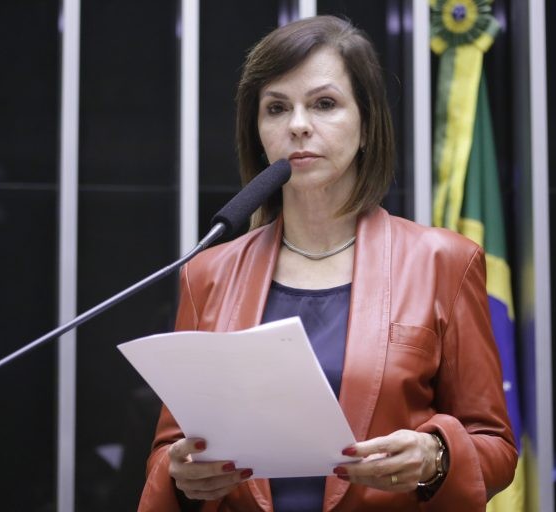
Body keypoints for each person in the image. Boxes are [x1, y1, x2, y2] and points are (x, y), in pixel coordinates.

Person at [139, 15, 517, 511]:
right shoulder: (207, 272)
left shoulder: (443, 261)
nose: (297, 125)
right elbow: (170, 450)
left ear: (366, 125)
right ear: (258, 132)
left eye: (324, 104)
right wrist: (181, 472)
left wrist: (435, 454)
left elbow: (495, 446)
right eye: (276, 108)